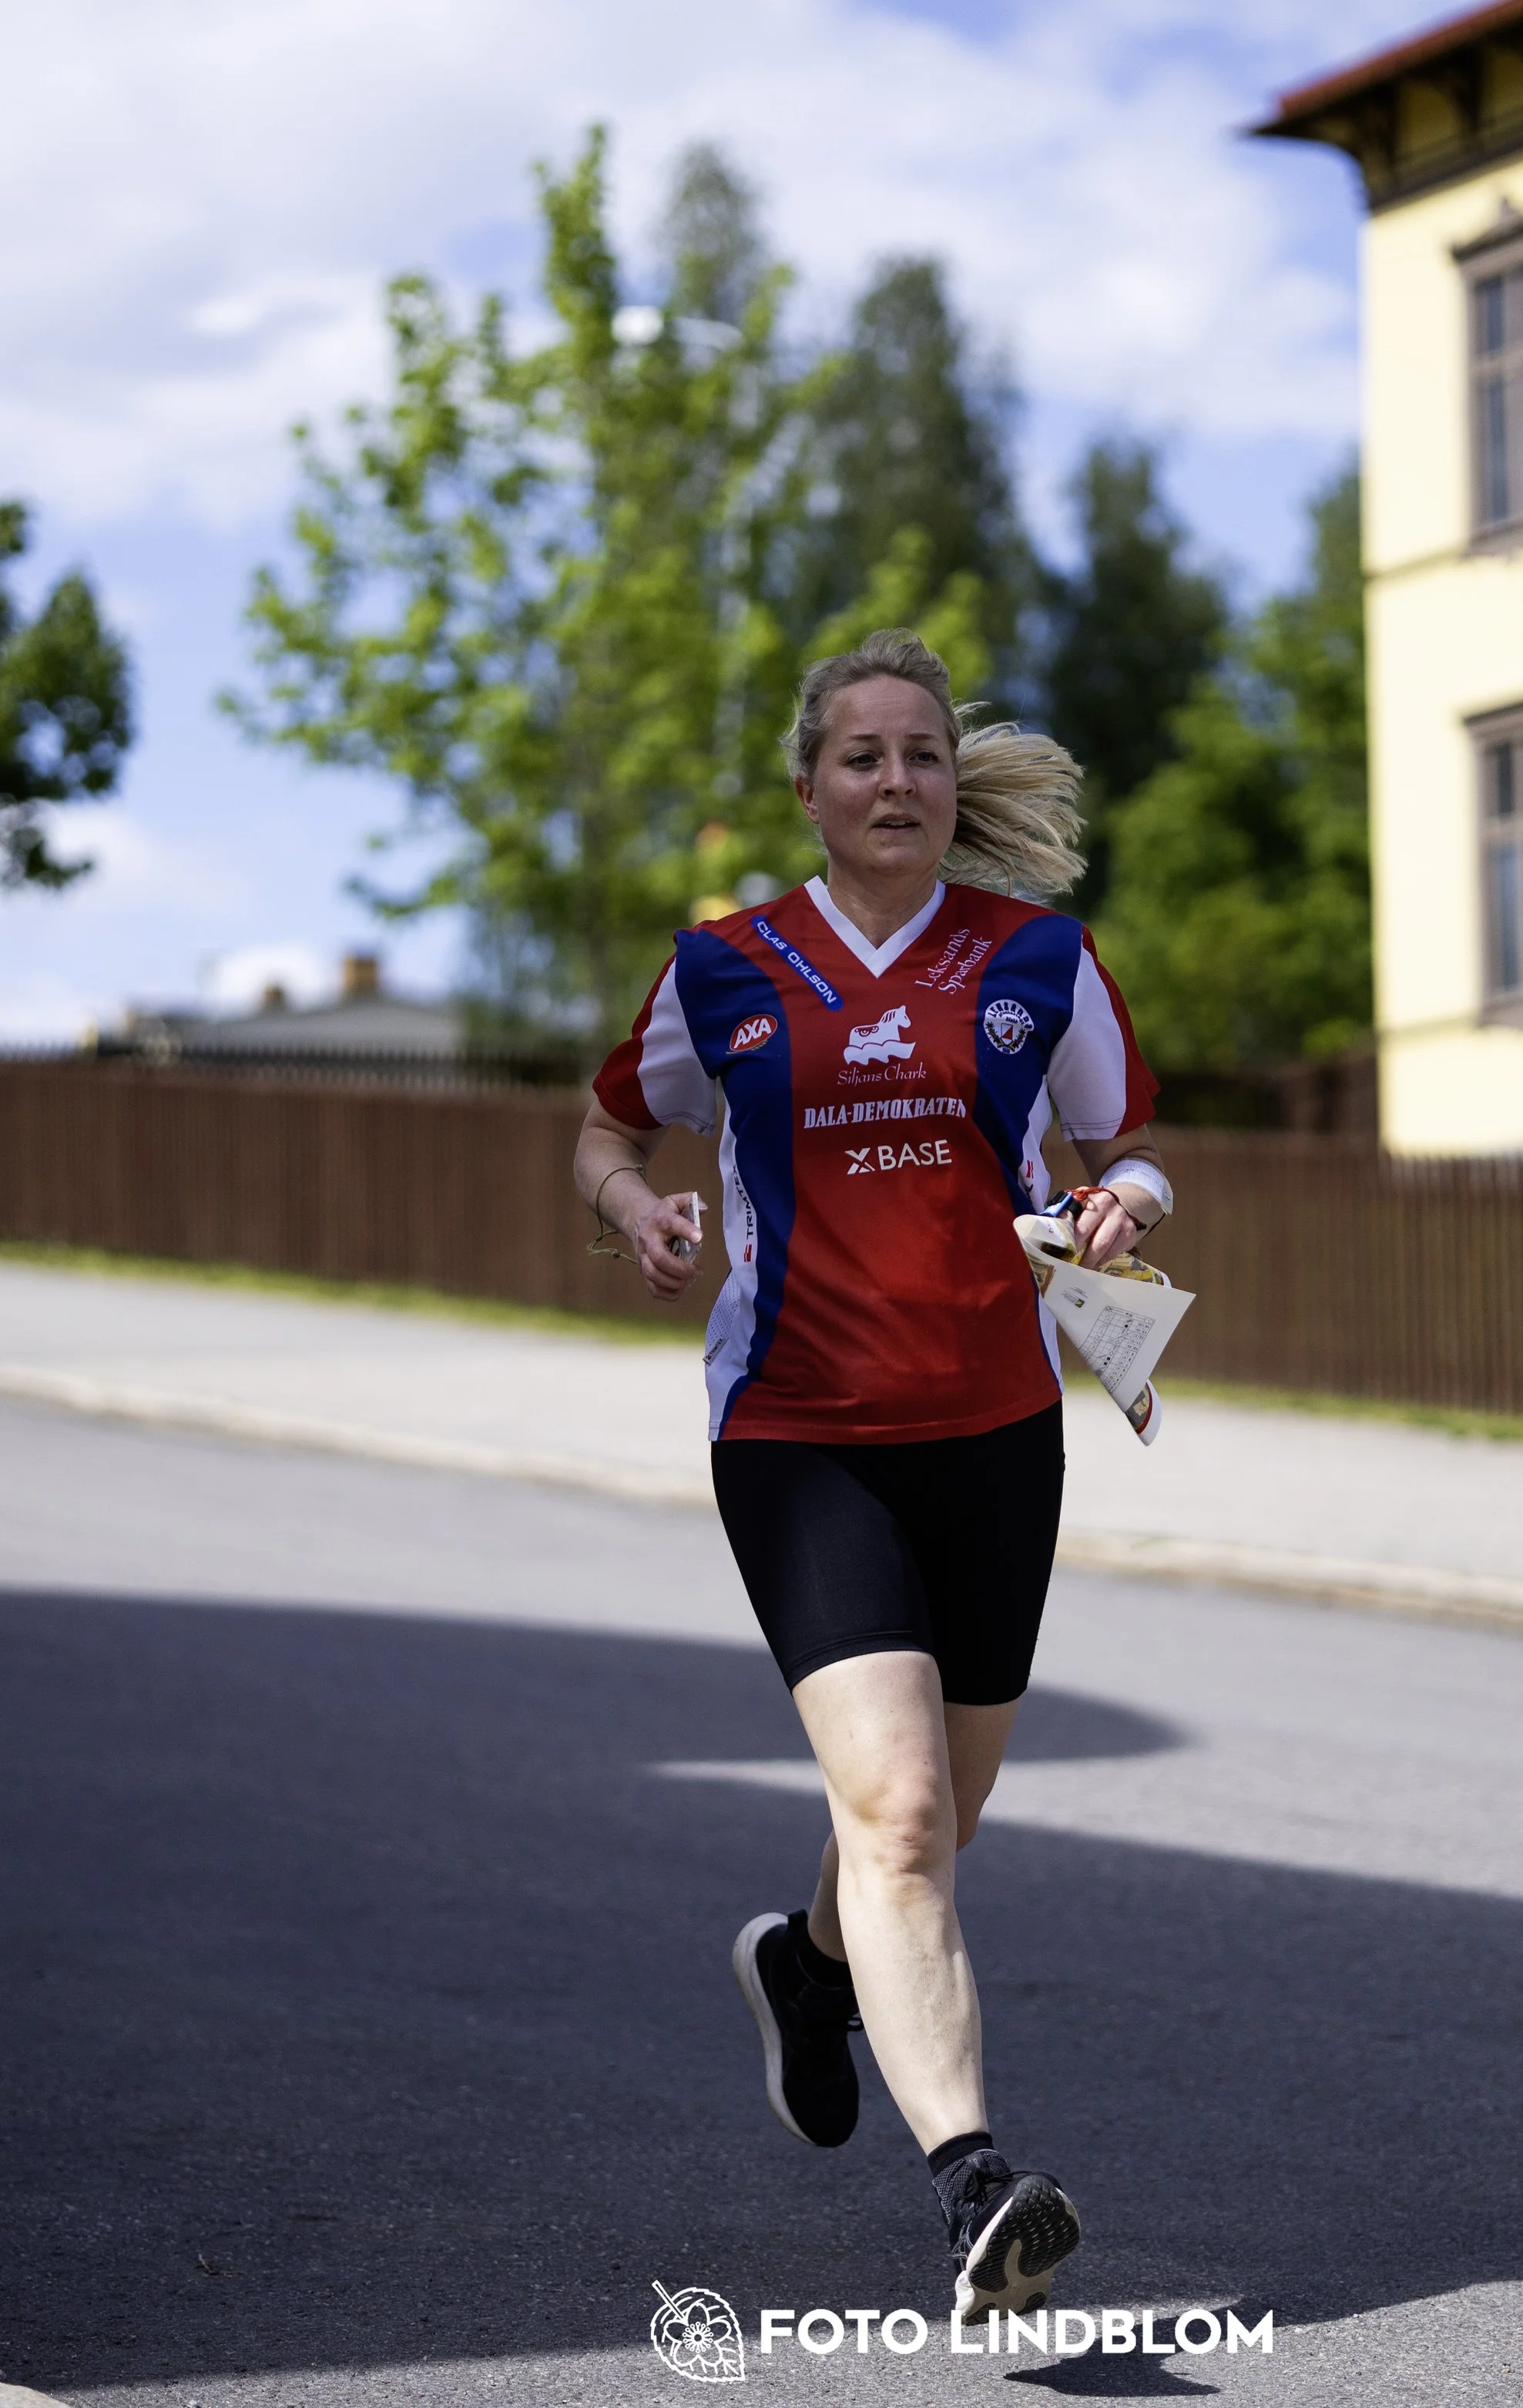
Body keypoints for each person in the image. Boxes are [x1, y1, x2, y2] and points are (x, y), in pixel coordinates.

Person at [574, 628, 1172, 2322]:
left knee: (937, 1817)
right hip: (798, 1430)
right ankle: (980, 2183)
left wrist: (1133, 1202)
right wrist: (637, 1208)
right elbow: (608, 1127)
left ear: (946, 777)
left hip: (996, 1430)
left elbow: (1120, 1146)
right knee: (899, 1808)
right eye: (862, 755)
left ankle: (807, 1958)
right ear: (807, 786)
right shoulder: (722, 969)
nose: (895, 779)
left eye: (920, 752)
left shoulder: (1039, 958)